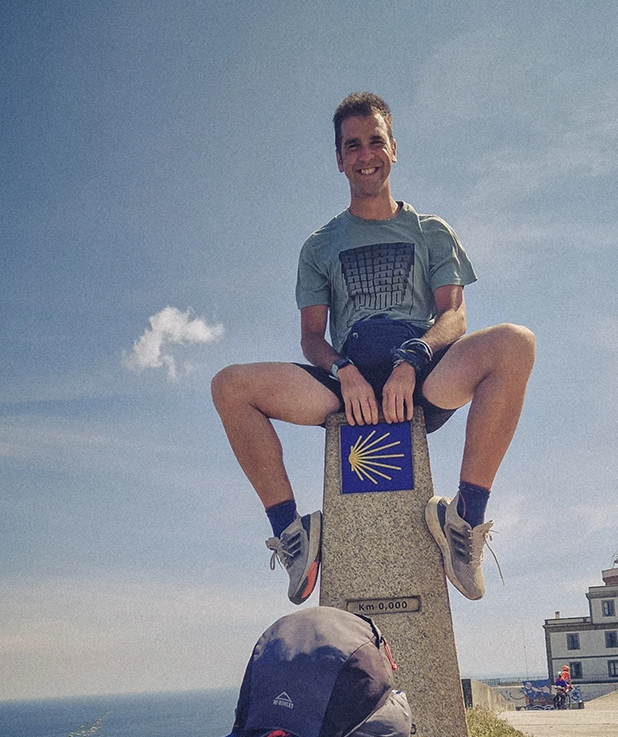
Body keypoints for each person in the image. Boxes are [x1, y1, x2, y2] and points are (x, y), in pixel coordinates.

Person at [211, 92, 536, 604]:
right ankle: (296, 537)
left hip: (425, 377)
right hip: (349, 381)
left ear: (393, 149)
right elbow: (312, 338)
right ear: (339, 159)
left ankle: (464, 521)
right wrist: (344, 370)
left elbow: (453, 316)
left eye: (375, 141)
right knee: (230, 387)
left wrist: (413, 358)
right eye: (353, 145)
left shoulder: (432, 233)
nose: (366, 154)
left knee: (516, 344)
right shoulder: (320, 246)